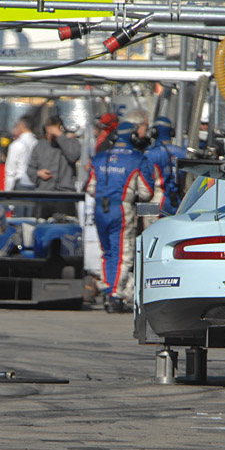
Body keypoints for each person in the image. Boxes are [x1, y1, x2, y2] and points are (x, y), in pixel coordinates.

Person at [84, 120, 156, 313]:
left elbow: (90, 188)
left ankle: (108, 288)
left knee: (107, 252)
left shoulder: (98, 158)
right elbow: (147, 192)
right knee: (123, 254)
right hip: (122, 209)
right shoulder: (137, 158)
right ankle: (115, 294)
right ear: (132, 137)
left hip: (100, 208)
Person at [144, 116, 186, 216]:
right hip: (178, 202)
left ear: (154, 132)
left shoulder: (150, 153)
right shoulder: (183, 153)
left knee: (151, 231)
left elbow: (146, 184)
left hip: (156, 200)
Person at [27, 115, 81, 192]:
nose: (51, 136)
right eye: (49, 133)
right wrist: (38, 173)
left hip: (65, 193)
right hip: (44, 193)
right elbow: (30, 169)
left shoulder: (71, 143)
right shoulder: (40, 145)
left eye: (54, 132)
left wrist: (60, 136)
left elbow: (74, 156)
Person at [4, 116, 38, 191]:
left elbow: (10, 171)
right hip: (35, 183)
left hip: (20, 183)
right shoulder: (37, 143)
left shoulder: (16, 144)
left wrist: (7, 190)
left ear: (21, 126)